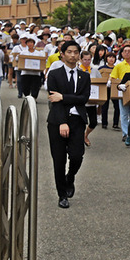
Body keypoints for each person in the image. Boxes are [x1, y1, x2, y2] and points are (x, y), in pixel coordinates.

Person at [46, 41, 90, 209]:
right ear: (62, 54)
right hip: (57, 121)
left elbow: (84, 99)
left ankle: (70, 177)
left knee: (77, 156)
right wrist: (62, 122)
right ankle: (62, 194)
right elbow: (53, 100)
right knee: (59, 159)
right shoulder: (54, 74)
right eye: (69, 52)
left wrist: (63, 97)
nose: (73, 55)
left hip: (77, 120)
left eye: (76, 52)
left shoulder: (84, 76)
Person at [78, 50, 101, 148]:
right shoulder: (77, 70)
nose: (87, 62)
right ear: (80, 59)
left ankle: (85, 135)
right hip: (80, 101)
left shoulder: (95, 70)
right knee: (80, 122)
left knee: (93, 122)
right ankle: (78, 139)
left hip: (92, 101)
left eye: (89, 60)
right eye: (85, 60)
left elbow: (100, 84)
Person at [17, 34, 45, 99]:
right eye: (28, 43)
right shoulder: (23, 53)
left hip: (36, 74)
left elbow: (42, 61)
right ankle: (27, 98)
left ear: (34, 44)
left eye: (31, 43)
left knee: (35, 87)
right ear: (26, 44)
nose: (30, 44)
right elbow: (18, 60)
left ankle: (34, 99)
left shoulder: (39, 53)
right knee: (25, 88)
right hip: (25, 73)